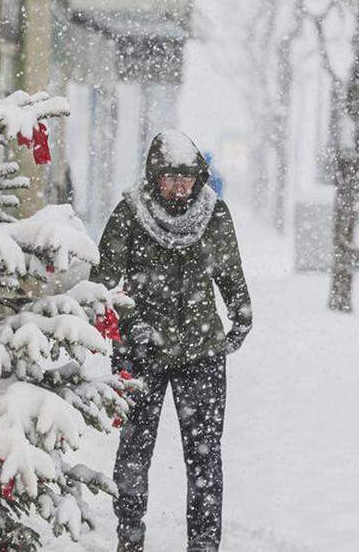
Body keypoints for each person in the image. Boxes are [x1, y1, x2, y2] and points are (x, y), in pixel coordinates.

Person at [92, 130, 252, 552]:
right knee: (133, 454)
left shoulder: (214, 216)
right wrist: (131, 323)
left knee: (204, 458)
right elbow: (102, 285)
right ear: (153, 177)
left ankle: (203, 545)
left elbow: (231, 274)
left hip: (201, 352)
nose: (180, 186)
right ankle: (129, 540)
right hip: (140, 352)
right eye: (171, 178)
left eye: (188, 177)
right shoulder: (129, 213)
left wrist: (241, 315)